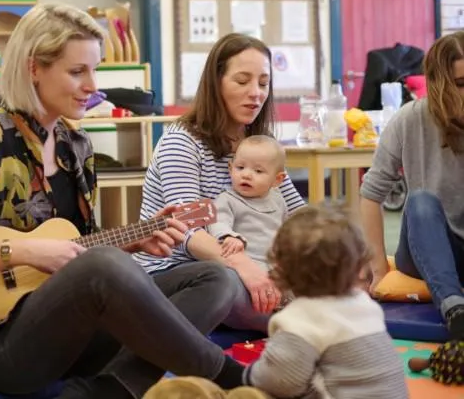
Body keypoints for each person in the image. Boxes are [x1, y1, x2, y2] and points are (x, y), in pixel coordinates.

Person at [0, 2, 247, 399]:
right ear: (34, 69)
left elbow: (79, 255)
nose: (93, 85)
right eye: (78, 71)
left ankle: (105, 390)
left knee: (217, 278)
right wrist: (26, 252)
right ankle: (234, 379)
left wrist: (129, 242)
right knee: (106, 266)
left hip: (70, 339)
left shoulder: (75, 145)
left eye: (94, 70)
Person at [134, 33, 305, 333]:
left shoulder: (258, 147)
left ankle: (297, 314)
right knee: (222, 281)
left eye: (263, 83)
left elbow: (298, 214)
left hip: (252, 267)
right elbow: (188, 230)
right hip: (179, 272)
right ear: (216, 83)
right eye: (242, 81)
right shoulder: (181, 142)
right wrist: (246, 268)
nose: (256, 93)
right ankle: (300, 319)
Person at [146, 205, 408, 399]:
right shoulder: (365, 306)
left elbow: (281, 381)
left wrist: (246, 376)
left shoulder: (301, 319)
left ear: (280, 270)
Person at [362, 31, 464, 341]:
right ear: (438, 84)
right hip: (422, 247)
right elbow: (371, 194)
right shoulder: (409, 119)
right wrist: (379, 266)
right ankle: (454, 309)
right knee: (420, 201)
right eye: (460, 84)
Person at [207, 135, 288, 267]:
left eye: (258, 171)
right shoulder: (227, 199)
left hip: (275, 263)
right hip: (246, 261)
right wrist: (229, 236)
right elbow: (218, 222)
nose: (246, 175)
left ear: (277, 180)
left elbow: (285, 229)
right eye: (240, 167)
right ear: (230, 168)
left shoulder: (278, 199)